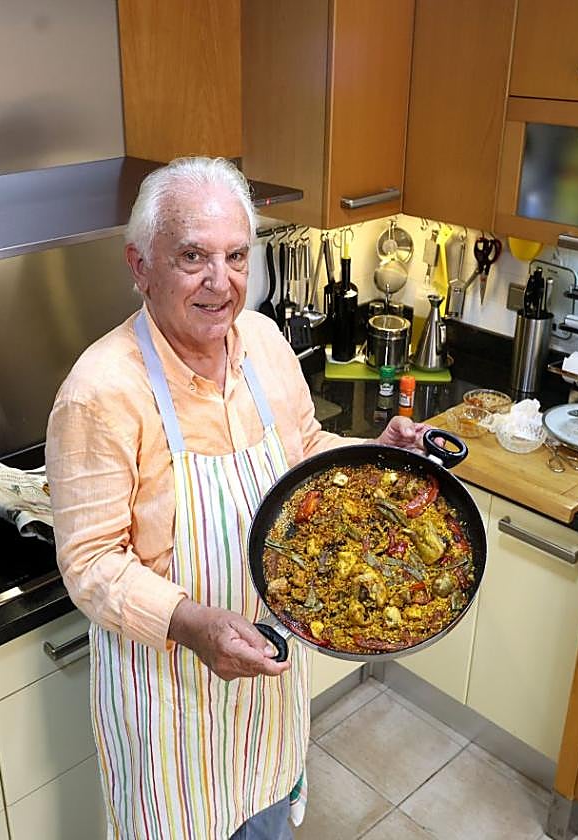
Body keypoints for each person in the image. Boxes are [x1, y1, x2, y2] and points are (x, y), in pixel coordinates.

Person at [46, 157, 431, 840]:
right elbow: (91, 565)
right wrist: (197, 625)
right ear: (140, 265)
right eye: (192, 257)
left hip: (269, 681)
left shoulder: (265, 342)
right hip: (171, 700)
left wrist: (376, 460)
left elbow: (304, 454)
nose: (219, 283)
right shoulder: (99, 393)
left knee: (267, 821)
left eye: (234, 256)